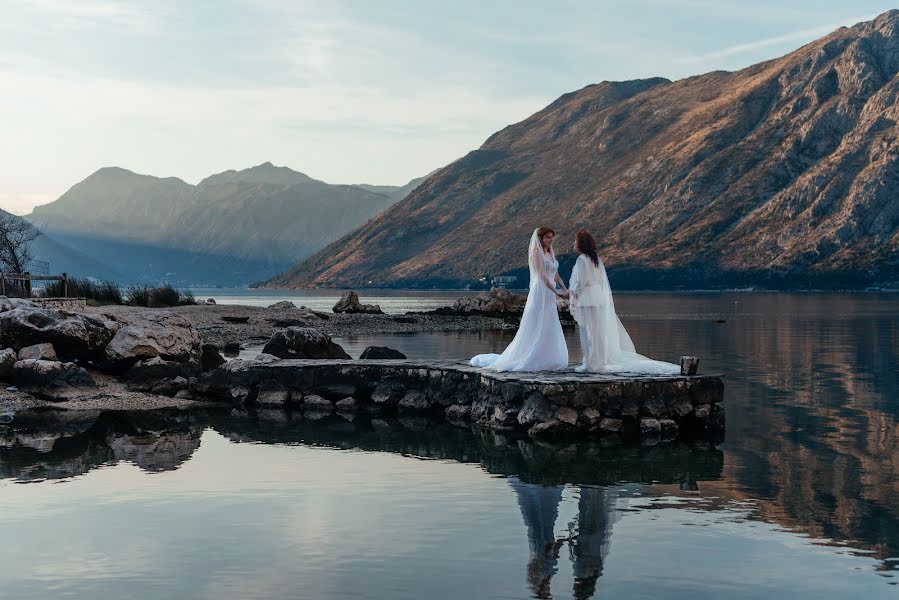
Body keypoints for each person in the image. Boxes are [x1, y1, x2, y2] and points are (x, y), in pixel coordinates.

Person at [568, 230, 678, 374]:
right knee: (598, 333)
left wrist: (572, 293)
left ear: (580, 243)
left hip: (587, 298)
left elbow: (581, 282)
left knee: (588, 333)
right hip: (598, 298)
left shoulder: (582, 259)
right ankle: (597, 362)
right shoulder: (595, 259)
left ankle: (590, 364)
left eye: (575, 240)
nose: (574, 243)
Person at [470, 227, 569, 372]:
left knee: (549, 322)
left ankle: (548, 356)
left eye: (551, 237)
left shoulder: (550, 252)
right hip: (541, 291)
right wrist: (557, 292)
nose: (550, 240)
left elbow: (555, 274)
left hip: (549, 292)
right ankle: (532, 355)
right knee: (537, 322)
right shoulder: (536, 253)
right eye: (548, 237)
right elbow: (541, 276)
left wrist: (564, 288)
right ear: (540, 238)